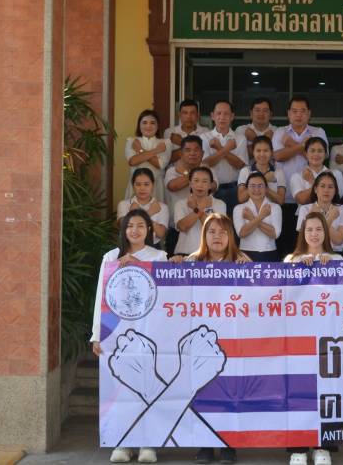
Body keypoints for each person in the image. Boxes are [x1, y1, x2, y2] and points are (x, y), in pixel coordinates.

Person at [90, 209, 167, 464]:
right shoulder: (111, 257)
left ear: (149, 229)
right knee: (119, 389)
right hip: (116, 333)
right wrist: (97, 334)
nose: (135, 230)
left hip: (149, 331)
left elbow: (164, 294)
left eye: (140, 225)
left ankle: (148, 443)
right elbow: (102, 296)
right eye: (130, 226)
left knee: (147, 387)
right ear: (124, 230)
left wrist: (140, 266)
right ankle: (122, 442)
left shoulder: (159, 256)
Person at [183, 213, 249, 464]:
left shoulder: (241, 261)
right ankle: (205, 445)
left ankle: (229, 445)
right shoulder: (191, 262)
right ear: (204, 236)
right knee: (203, 391)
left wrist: (249, 273)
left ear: (230, 236)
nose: (217, 236)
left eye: (222, 232)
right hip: (201, 340)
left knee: (231, 392)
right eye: (212, 231)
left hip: (233, 338)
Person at [284, 212, 340, 465]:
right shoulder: (291, 259)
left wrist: (332, 270)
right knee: (298, 392)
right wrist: (298, 268)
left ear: (325, 233)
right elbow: (282, 294)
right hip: (298, 339)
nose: (314, 234)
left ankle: (322, 446)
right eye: (309, 230)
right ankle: (298, 447)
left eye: (319, 229)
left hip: (328, 337)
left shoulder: (337, 260)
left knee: (327, 392)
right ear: (302, 233)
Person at [272, 96, 328, 256]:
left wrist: (291, 144)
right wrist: (303, 145)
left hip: (311, 201)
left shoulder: (318, 132)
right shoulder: (280, 132)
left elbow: (319, 157)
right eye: (294, 111)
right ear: (288, 113)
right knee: (286, 247)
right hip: (284, 198)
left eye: (302, 111)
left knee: (309, 246)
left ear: (309, 113)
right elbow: (278, 156)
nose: (298, 115)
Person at [164, 136, 217, 255]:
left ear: (202, 153)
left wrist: (190, 173)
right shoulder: (172, 171)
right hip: (178, 228)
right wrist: (197, 174)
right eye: (188, 150)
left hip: (203, 228)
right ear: (181, 153)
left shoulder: (210, 170)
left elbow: (213, 186)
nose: (192, 153)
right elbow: (173, 186)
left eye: (196, 150)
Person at [201, 100, 248, 217]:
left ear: (232, 116)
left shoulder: (240, 138)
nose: (222, 117)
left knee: (233, 223)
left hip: (235, 189)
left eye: (226, 114)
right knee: (213, 223)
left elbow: (240, 165)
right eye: (218, 113)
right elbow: (205, 164)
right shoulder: (204, 137)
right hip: (212, 190)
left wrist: (218, 148)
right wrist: (227, 149)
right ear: (212, 116)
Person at [173, 167, 226, 257]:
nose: (200, 185)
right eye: (196, 181)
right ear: (190, 184)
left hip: (210, 254)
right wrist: (200, 208)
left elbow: (214, 229)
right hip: (185, 253)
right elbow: (183, 227)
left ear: (210, 185)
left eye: (204, 181)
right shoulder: (180, 204)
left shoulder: (220, 204)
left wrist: (196, 208)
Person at [296, 172, 343, 256]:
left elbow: (339, 240)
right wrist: (330, 219)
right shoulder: (305, 209)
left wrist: (321, 218)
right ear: (315, 189)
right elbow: (304, 239)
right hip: (311, 255)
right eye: (322, 186)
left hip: (335, 254)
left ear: (335, 190)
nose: (326, 190)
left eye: (330, 187)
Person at [124, 109, 172, 202]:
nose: (148, 126)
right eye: (144, 123)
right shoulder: (131, 141)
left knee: (156, 210)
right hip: (136, 186)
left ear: (158, 126)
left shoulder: (166, 142)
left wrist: (140, 150)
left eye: (152, 123)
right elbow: (133, 161)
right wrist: (157, 150)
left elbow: (160, 164)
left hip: (157, 187)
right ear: (139, 125)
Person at [233, 172, 282, 262]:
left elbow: (275, 234)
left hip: (270, 253)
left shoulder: (275, 207)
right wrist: (261, 216)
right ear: (247, 189)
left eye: (260, 186)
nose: (256, 189)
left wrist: (252, 218)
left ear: (266, 188)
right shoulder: (239, 208)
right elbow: (241, 233)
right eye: (252, 186)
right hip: (245, 254)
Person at [116, 168, 168, 248]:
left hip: (153, 247)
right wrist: (150, 212)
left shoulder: (161, 207)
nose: (142, 188)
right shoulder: (123, 204)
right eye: (138, 184)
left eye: (146, 184)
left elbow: (160, 233)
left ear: (153, 185)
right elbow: (123, 227)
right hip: (128, 246)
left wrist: (135, 214)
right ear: (133, 186)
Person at [290, 137, 343, 207]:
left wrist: (313, 181)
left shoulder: (336, 174)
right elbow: (302, 200)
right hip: (306, 213)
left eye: (320, 151)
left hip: (331, 212)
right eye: (312, 151)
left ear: (325, 154)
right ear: (306, 154)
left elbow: (335, 198)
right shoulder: (297, 176)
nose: (316, 154)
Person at [236, 136, 286, 205]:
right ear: (253, 152)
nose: (262, 154)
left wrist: (263, 183)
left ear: (271, 152)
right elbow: (241, 199)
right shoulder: (245, 171)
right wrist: (264, 179)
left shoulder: (278, 172)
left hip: (272, 210)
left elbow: (280, 201)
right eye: (258, 151)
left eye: (266, 151)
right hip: (249, 210)